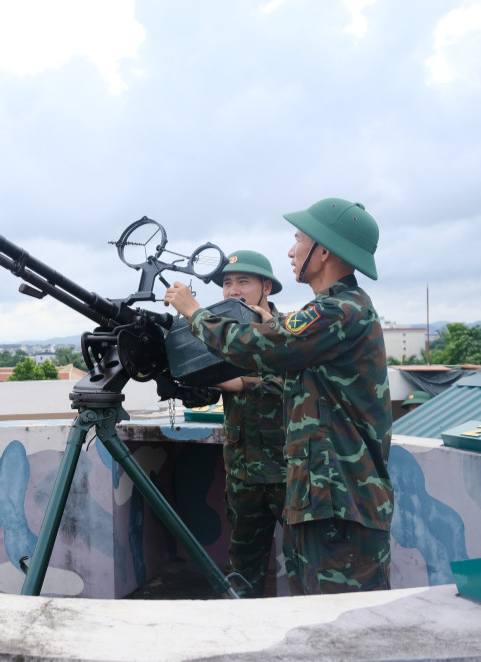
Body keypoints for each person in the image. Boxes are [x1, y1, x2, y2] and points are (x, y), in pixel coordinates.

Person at [164, 198, 393, 595]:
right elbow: (286, 348)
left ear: (323, 251)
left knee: (336, 625)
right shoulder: (337, 310)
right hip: (324, 496)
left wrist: (194, 313)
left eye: (299, 240)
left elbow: (262, 349)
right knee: (312, 613)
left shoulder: (339, 311)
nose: (291, 251)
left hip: (338, 500)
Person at [212, 250, 287, 598]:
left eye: (243, 281)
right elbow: (202, 388)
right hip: (242, 472)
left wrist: (238, 382)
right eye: (227, 283)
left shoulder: (289, 330)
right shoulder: (221, 339)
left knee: (303, 561)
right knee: (243, 568)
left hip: (289, 471)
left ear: (266, 287)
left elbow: (288, 383)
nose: (232, 290)